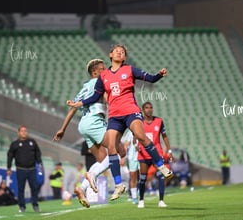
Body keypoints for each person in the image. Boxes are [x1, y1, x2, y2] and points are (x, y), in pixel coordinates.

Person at [67, 44, 173, 202]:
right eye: (117, 50)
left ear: (124, 58)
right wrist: (79, 104)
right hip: (114, 116)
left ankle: (161, 165)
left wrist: (159, 74)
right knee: (111, 147)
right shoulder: (104, 76)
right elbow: (95, 97)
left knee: (140, 135)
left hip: (131, 111)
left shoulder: (130, 70)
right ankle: (118, 185)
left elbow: (150, 78)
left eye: (122, 52)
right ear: (110, 55)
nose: (119, 52)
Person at [53, 59, 122, 207]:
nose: (106, 70)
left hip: (84, 124)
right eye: (102, 69)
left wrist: (62, 129)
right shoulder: (100, 83)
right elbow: (108, 99)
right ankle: (92, 176)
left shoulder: (84, 87)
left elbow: (73, 108)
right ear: (95, 72)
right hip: (94, 122)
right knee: (119, 150)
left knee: (103, 160)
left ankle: (81, 188)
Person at [137, 102, 173, 208]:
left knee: (161, 175)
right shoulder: (139, 122)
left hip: (157, 153)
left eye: (151, 107)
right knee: (143, 178)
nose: (149, 109)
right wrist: (135, 145)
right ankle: (141, 200)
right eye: (147, 108)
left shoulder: (159, 121)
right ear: (143, 110)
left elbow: (164, 136)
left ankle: (161, 200)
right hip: (143, 154)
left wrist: (169, 151)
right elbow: (135, 137)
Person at [7, 125, 42, 213]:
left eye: (25, 131)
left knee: (34, 187)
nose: (24, 132)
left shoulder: (32, 142)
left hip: (32, 169)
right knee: (21, 188)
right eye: (22, 131)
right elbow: (10, 156)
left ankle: (35, 205)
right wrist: (9, 167)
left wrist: (39, 162)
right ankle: (22, 206)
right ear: (18, 132)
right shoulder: (14, 144)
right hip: (20, 169)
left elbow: (38, 152)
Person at [123, 130, 139, 204]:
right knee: (133, 177)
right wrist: (123, 157)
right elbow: (126, 144)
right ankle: (134, 196)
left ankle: (139, 194)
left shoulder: (145, 128)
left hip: (142, 156)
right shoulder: (130, 132)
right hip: (132, 157)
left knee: (142, 176)